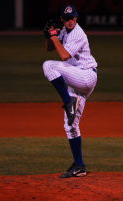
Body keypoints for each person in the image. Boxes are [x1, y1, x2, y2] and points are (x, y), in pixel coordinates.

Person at [42, 4, 98, 178]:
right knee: (70, 125)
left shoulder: (78, 33)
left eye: (72, 18)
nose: (70, 21)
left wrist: (55, 37)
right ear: (62, 19)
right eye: (66, 19)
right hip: (76, 79)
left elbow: (64, 56)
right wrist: (48, 36)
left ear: (76, 17)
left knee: (48, 66)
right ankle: (79, 166)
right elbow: (50, 48)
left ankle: (68, 102)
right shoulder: (65, 30)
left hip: (86, 76)